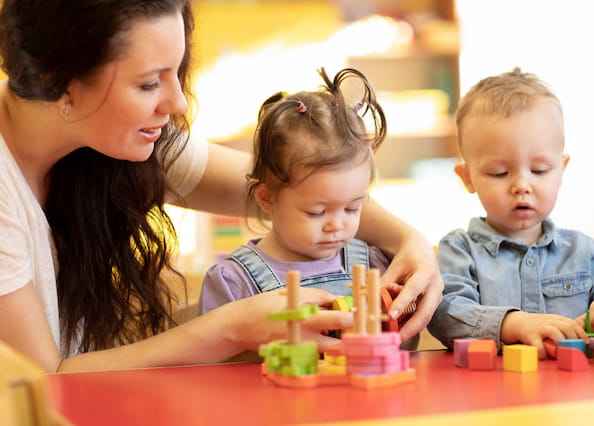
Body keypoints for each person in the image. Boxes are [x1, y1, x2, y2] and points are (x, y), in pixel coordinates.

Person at [0, 0, 442, 373]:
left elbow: (289, 183)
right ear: (59, 83)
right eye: (149, 83)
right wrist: (229, 329)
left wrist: (411, 242)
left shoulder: (116, 137)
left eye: (176, 72)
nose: (175, 103)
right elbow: (43, 381)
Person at [427, 68, 594, 359]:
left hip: (577, 396)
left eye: (539, 170)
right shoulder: (459, 251)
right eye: (499, 173)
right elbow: (446, 314)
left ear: (561, 170)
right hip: (492, 396)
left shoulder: (585, 252)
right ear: (468, 178)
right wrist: (513, 324)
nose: (522, 186)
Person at [199, 68, 419, 347]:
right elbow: (213, 371)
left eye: (352, 208)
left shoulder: (374, 265)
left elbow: (404, 347)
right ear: (266, 198)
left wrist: (398, 310)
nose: (337, 225)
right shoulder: (234, 281)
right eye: (316, 212)